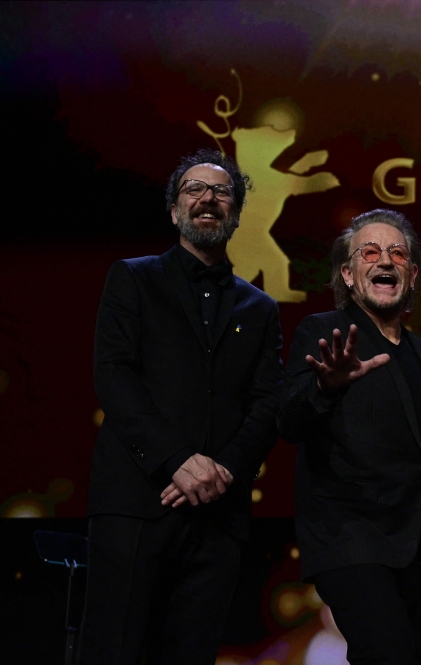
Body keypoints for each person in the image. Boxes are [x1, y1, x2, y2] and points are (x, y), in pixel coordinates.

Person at [81, 149, 284, 664]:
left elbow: (267, 403)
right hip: (136, 504)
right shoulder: (133, 278)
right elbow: (114, 377)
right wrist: (176, 460)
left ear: (236, 214)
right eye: (194, 189)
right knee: (116, 651)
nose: (207, 198)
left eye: (221, 192)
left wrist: (224, 470)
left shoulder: (260, 307)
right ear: (174, 211)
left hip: (218, 516)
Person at [279, 209, 421, 665]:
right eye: (370, 252)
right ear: (348, 275)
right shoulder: (324, 331)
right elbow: (289, 420)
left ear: (412, 275)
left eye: (398, 253)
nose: (385, 261)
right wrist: (324, 389)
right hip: (351, 543)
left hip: (412, 554)